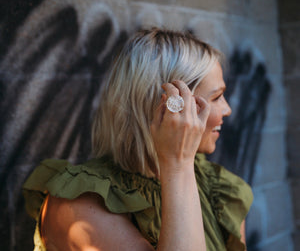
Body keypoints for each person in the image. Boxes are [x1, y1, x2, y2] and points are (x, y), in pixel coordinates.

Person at [23, 28, 253, 251]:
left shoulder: (218, 188)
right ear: (172, 106)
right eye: (217, 97)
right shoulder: (80, 204)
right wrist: (177, 164)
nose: (227, 110)